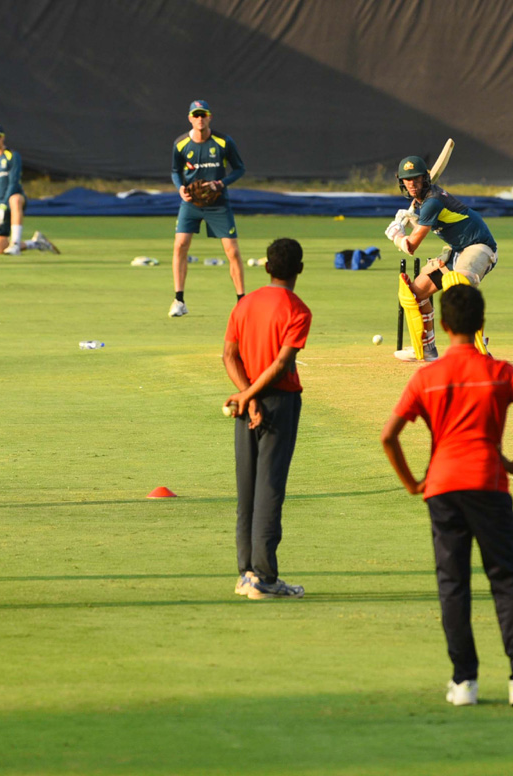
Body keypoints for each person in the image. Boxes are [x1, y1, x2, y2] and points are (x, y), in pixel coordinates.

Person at [381, 283, 513, 707]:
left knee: (453, 585)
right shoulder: (500, 371)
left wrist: (412, 483)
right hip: (488, 485)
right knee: (505, 580)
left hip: (442, 488)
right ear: (481, 323)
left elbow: (388, 435)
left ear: (444, 326)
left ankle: (464, 682)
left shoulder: (426, 377)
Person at [223, 238, 311, 599]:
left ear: (267, 267)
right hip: (277, 402)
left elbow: (229, 355)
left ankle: (246, 573)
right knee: (270, 488)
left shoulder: (245, 304)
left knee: (247, 489)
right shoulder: (298, 309)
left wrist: (245, 395)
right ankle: (265, 578)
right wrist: (252, 395)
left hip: (247, 404)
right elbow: (280, 365)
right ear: (299, 270)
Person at [384, 155, 498, 362]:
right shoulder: (424, 203)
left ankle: (477, 351)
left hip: (480, 247)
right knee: (415, 293)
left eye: (416, 178)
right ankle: (427, 349)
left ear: (425, 178)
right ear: (401, 182)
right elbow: (430, 222)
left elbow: (410, 246)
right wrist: (408, 220)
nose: (412, 184)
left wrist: (396, 234)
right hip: (457, 251)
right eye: (407, 180)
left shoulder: (432, 202)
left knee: (460, 287)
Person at [169, 100, 247, 317]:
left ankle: (242, 301)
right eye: (196, 115)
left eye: (204, 115)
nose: (200, 119)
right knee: (180, 246)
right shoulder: (181, 144)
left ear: (210, 117)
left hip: (218, 203)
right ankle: (179, 300)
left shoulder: (223, 142)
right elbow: (175, 171)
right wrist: (180, 188)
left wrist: (221, 183)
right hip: (191, 203)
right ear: (190, 118)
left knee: (232, 250)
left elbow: (239, 169)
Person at [0, 122, 58, 256]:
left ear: (3, 138)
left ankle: (15, 244)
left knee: (15, 199)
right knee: (1, 248)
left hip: (12, 201)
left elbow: (13, 183)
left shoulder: (12, 156)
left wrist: (4, 206)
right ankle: (37, 243)